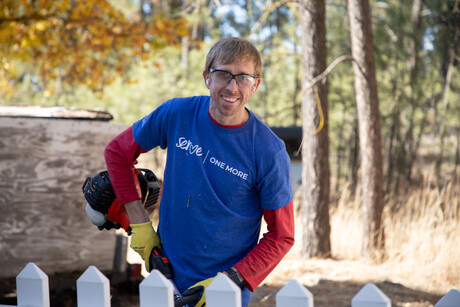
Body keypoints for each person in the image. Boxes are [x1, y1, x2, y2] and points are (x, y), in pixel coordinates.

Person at [104, 37, 295, 307]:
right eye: (224, 74)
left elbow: (281, 235)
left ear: (256, 85)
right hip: (164, 278)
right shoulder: (177, 114)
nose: (232, 86)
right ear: (207, 77)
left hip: (224, 293)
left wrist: (229, 279)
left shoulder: (268, 151)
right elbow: (117, 153)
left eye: (243, 78)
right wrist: (140, 224)